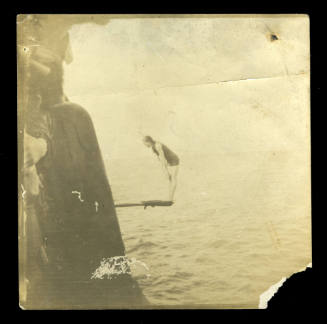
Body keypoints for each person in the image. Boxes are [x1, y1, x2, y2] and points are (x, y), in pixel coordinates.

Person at [143, 136, 179, 201]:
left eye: (145, 144)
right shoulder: (153, 147)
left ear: (148, 141)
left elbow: (163, 158)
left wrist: (166, 171)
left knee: (173, 178)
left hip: (173, 159)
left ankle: (170, 199)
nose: (145, 145)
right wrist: (165, 171)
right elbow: (159, 159)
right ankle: (169, 198)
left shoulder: (157, 145)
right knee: (169, 179)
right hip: (168, 160)